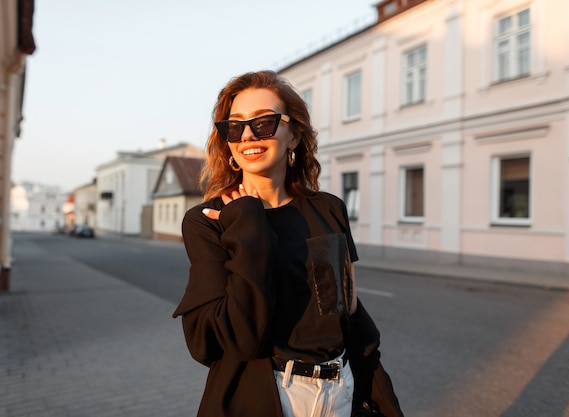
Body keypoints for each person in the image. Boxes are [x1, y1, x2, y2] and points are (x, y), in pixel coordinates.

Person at [173, 70, 404, 417]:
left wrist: (382, 395)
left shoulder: (327, 209)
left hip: (340, 392)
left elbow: (346, 312)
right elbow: (240, 339)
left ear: (294, 135)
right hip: (265, 398)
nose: (248, 135)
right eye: (234, 127)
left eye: (263, 122)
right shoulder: (209, 220)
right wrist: (248, 225)